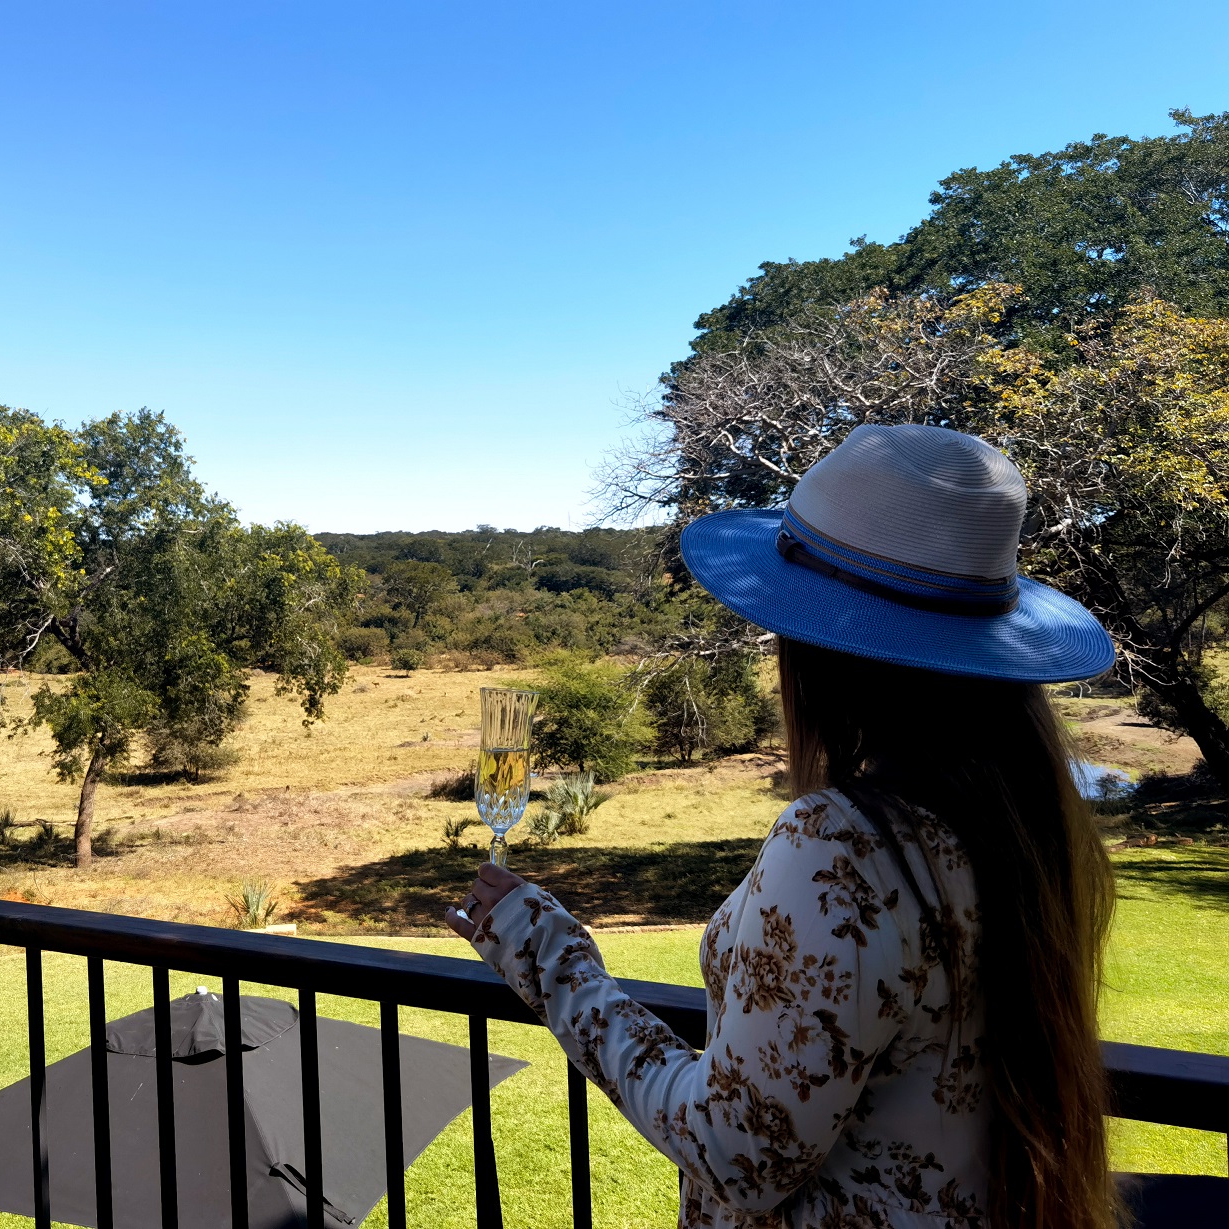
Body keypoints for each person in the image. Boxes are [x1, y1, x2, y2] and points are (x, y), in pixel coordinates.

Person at [448, 424, 1119, 1229]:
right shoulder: (1019, 829)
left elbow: (737, 1149)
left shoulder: (840, 846)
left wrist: (554, 961)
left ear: (820, 648)